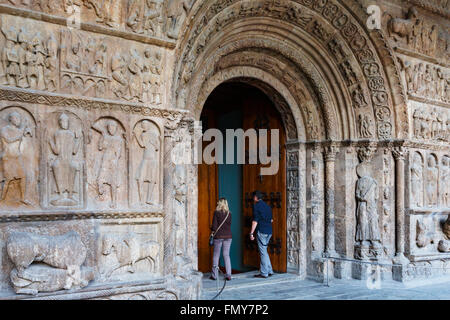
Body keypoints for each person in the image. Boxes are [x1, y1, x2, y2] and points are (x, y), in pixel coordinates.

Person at [249, 190, 274, 278]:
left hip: (262, 231)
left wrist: (251, 233)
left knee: (263, 252)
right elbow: (271, 220)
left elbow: (255, 221)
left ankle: (264, 273)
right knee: (264, 251)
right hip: (269, 231)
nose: (253, 198)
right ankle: (269, 270)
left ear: (256, 197)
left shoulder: (256, 206)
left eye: (253, 197)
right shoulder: (267, 206)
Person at [210, 198, 232, 281]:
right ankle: (229, 274)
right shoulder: (229, 214)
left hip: (218, 237)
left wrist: (211, 227)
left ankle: (214, 275)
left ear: (219, 204)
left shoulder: (216, 213)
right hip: (228, 237)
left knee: (216, 255)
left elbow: (214, 227)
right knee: (226, 255)